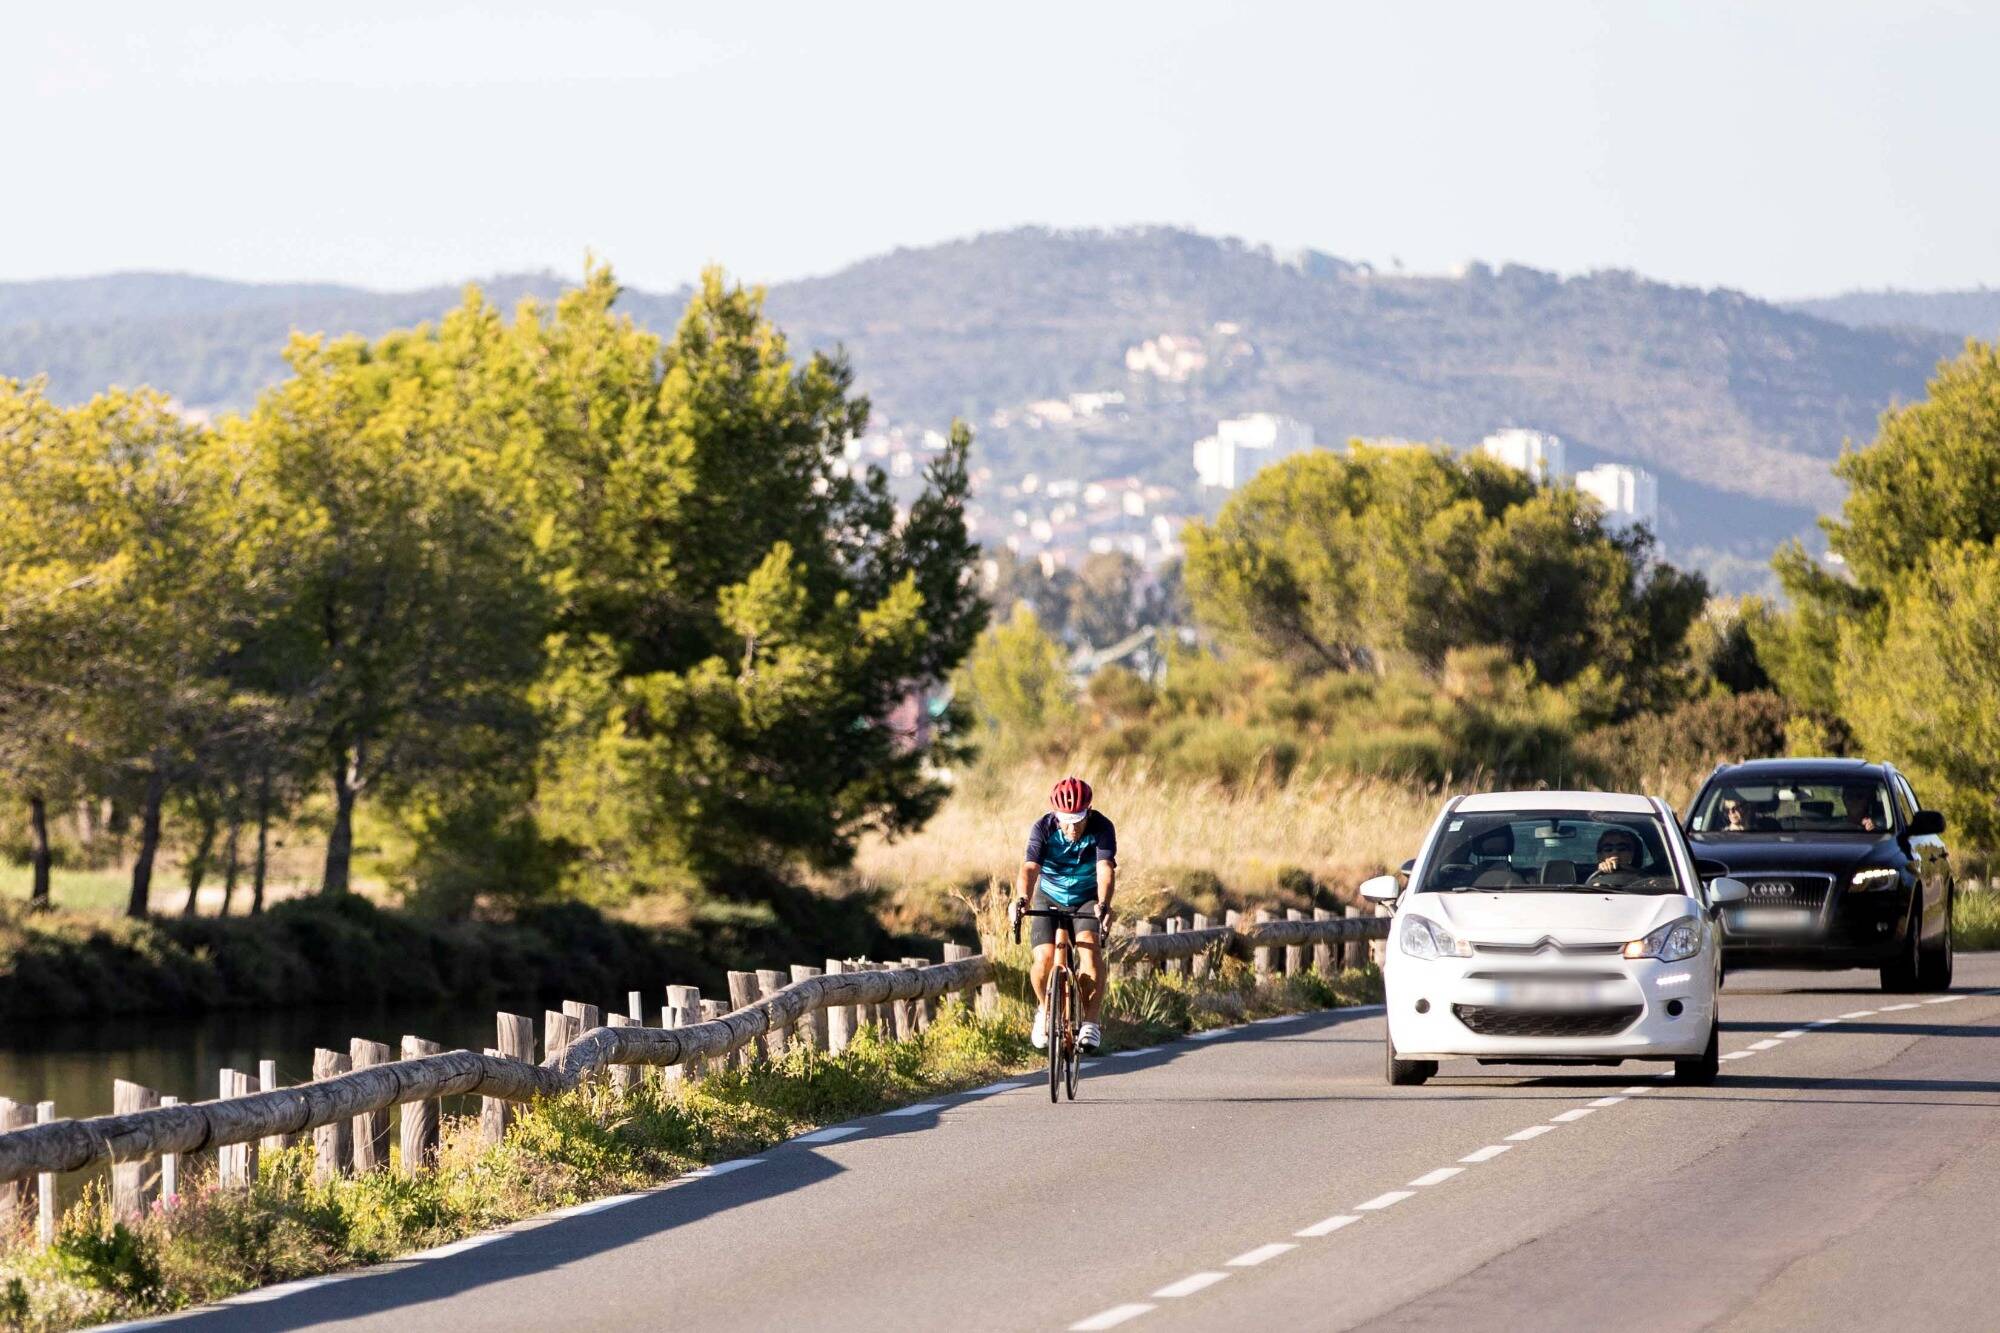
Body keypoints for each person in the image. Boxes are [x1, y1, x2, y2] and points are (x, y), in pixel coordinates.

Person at [1015, 776, 1117, 1052]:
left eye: (1079, 818)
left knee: (1089, 950)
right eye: (1065, 819)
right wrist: (1022, 898)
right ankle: (1045, 1011)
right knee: (1044, 959)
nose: (1072, 827)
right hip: (1049, 896)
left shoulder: (1102, 827)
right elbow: (1029, 868)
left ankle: (1091, 1024)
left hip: (1086, 898)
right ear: (1055, 815)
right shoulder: (1043, 828)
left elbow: (1105, 868)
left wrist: (1104, 903)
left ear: (1089, 811)